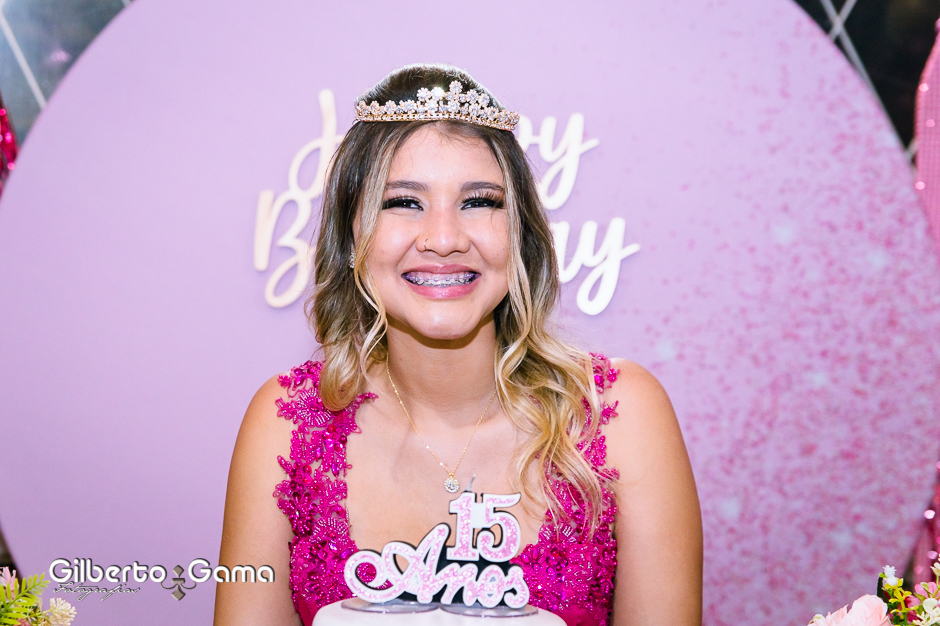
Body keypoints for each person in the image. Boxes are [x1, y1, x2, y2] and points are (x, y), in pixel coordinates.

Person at [214, 64, 702, 626]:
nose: (444, 239)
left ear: (520, 234)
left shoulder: (616, 414)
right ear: (350, 238)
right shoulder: (286, 423)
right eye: (403, 202)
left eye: (479, 202)